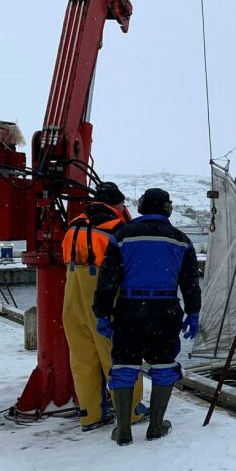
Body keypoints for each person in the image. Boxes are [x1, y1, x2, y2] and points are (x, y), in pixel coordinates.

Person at [93, 188, 201, 445]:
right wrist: (193, 312)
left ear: (141, 207)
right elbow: (190, 282)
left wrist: (102, 314)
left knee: (124, 366)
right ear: (167, 208)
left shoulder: (122, 236)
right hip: (165, 310)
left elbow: (107, 280)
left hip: (130, 309)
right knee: (164, 365)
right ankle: (155, 427)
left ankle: (123, 431)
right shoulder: (181, 239)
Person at [61, 181, 145, 431]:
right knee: (121, 355)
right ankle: (130, 412)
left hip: (73, 295)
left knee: (82, 358)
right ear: (116, 204)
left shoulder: (74, 225)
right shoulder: (117, 229)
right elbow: (128, 268)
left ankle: (90, 415)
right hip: (104, 296)